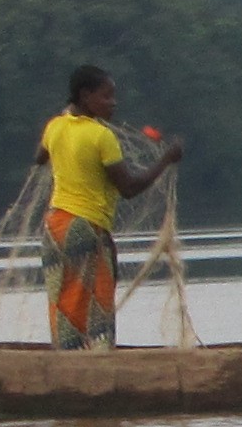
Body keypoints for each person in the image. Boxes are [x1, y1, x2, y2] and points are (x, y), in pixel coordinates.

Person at [33, 65, 185, 352]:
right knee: (96, 306)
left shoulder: (55, 126)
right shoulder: (101, 137)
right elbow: (128, 188)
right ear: (86, 95)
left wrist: (67, 120)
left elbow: (40, 157)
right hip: (85, 228)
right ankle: (97, 363)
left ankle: (67, 361)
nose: (113, 103)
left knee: (65, 302)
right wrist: (166, 159)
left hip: (55, 229)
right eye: (106, 96)